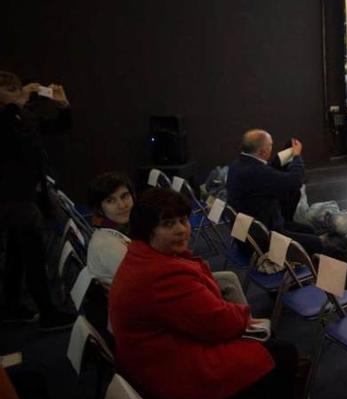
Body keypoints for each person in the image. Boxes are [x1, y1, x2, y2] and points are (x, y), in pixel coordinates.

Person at [109, 188, 308, 399]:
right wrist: (243, 316)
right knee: (282, 352)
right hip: (175, 378)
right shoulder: (161, 275)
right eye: (168, 224)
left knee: (269, 343)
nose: (181, 230)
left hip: (156, 360)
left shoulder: (142, 257)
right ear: (147, 231)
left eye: (183, 220)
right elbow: (217, 323)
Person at [86, 172, 246, 304]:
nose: (122, 205)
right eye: (110, 201)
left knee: (228, 279)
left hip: (158, 286)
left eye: (125, 196)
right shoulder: (108, 246)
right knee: (223, 285)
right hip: (149, 303)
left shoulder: (127, 227)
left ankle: (248, 326)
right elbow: (148, 283)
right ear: (100, 208)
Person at [0, 70, 76, 330]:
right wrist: (18, 103)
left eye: (16, 87)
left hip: (28, 194)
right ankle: (47, 312)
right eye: (9, 89)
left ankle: (11, 306)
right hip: (12, 198)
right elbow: (13, 141)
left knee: (16, 254)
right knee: (33, 256)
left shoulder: (20, 115)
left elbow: (57, 127)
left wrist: (62, 105)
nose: (17, 91)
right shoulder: (7, 119)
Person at [227, 129, 322, 254]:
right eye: (270, 145)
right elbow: (294, 181)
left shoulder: (238, 164)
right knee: (316, 243)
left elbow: (268, 171)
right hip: (263, 239)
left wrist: (285, 155)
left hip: (248, 233)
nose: (272, 148)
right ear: (263, 151)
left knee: (308, 230)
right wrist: (297, 156)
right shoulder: (256, 172)